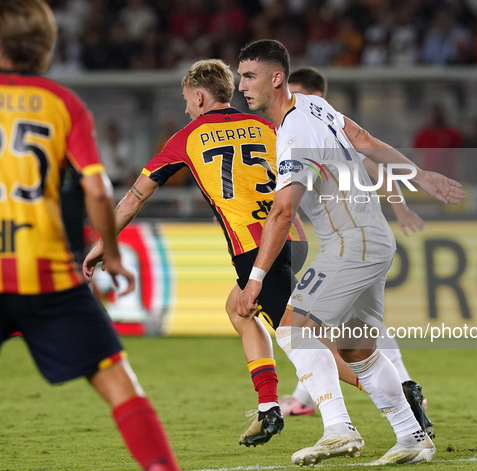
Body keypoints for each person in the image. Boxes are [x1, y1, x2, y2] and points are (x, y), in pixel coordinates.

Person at [236, 40, 465, 466]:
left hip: (350, 243)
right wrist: (420, 175)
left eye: (249, 76)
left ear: (276, 78)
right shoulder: (312, 106)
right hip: (375, 238)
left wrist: (254, 281)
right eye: (240, 76)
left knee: (290, 327)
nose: (242, 85)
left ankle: (338, 429)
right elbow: (363, 138)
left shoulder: (293, 130)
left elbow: (283, 211)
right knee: (355, 347)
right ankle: (412, 437)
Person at [0, 2, 189, 471]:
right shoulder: (62, 103)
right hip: (45, 272)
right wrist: (113, 250)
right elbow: (99, 189)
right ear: (46, 46)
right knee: (118, 381)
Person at [82, 59, 308, 448]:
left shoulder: (187, 137)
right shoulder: (266, 126)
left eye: (187, 100)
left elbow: (134, 199)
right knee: (239, 308)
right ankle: (269, 405)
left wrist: (103, 244)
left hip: (254, 249)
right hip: (290, 235)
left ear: (200, 97)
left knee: (304, 343)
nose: (186, 108)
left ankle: (394, 391)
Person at [281, 67, 432, 440]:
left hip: (354, 243)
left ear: (315, 95)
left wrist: (400, 208)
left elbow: (376, 170)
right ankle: (408, 417)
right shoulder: (326, 131)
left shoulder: (312, 125)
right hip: (354, 240)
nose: (291, 100)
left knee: (297, 328)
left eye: (297, 93)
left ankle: (329, 415)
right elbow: (373, 167)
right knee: (357, 336)